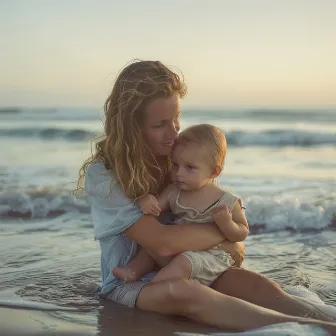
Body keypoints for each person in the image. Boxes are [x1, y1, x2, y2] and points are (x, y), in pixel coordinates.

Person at [79, 60, 336, 332]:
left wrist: (230, 237)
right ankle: (311, 330)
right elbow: (163, 243)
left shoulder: (176, 161)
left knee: (253, 284)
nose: (174, 132)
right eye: (160, 125)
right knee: (183, 293)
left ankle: (327, 318)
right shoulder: (105, 175)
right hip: (130, 286)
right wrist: (224, 232)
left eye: (176, 119)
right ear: (131, 126)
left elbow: (213, 211)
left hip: (190, 264)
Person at [112, 123, 248, 286]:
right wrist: (145, 200)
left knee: (185, 261)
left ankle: (157, 285)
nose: (179, 173)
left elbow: (242, 232)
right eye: (175, 165)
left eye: (190, 167)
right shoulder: (173, 192)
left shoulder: (226, 201)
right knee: (149, 248)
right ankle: (133, 270)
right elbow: (154, 211)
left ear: (214, 172)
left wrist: (227, 223)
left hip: (211, 256)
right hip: (178, 248)